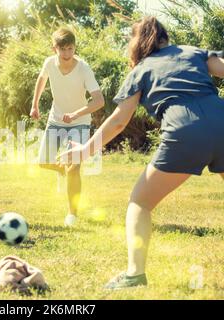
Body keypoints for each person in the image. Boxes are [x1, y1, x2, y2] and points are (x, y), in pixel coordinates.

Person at [58, 16, 224, 289]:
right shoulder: (193, 52)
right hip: (222, 119)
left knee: (140, 202)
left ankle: (134, 274)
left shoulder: (142, 69)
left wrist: (85, 150)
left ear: (138, 43)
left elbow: (120, 120)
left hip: (186, 129)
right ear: (164, 37)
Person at [30, 27, 105, 226]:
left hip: (79, 122)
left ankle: (72, 214)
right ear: (54, 48)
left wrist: (76, 114)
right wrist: (35, 105)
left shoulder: (83, 68)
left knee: (74, 168)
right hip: (56, 119)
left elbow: (99, 101)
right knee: (43, 162)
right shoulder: (49, 63)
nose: (66, 54)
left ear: (74, 48)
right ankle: (61, 170)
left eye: (70, 49)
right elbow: (41, 79)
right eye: (62, 49)